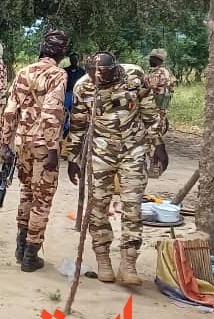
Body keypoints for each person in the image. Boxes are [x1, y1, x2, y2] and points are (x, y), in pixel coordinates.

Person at [66, 53, 166, 285]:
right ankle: (103, 259)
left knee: (132, 205)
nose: (98, 81)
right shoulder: (83, 86)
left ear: (115, 69)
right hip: (100, 151)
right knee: (98, 204)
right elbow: (78, 124)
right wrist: (72, 157)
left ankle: (128, 263)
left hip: (133, 149)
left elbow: (150, 114)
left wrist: (158, 144)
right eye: (93, 77)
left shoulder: (135, 75)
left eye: (104, 76)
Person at [0, 30, 69, 272]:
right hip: (41, 145)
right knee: (42, 197)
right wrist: (52, 149)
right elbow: (52, 112)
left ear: (42, 47)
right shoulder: (58, 74)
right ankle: (31, 254)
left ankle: (20, 247)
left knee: (27, 192)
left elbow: (9, 110)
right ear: (62, 52)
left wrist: (4, 143)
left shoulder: (23, 72)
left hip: (22, 143)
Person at [146, 48, 176, 178]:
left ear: (157, 60)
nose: (149, 60)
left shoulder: (157, 74)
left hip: (154, 112)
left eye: (152, 59)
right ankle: (155, 167)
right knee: (155, 138)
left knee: (152, 140)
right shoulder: (167, 73)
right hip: (161, 111)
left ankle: (155, 169)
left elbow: (148, 90)